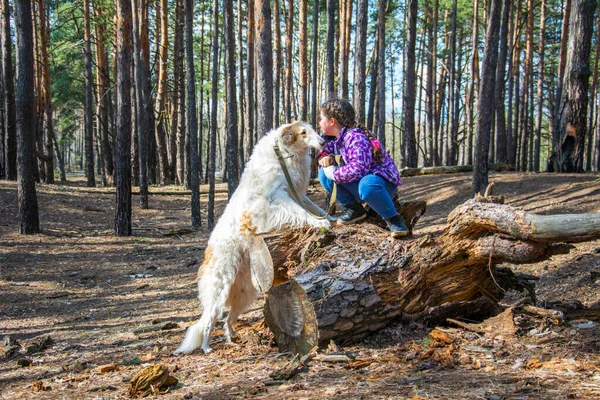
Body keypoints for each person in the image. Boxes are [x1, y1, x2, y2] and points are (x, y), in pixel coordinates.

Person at [317, 98, 408, 238]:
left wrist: (335, 173)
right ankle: (354, 209)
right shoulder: (336, 139)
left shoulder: (355, 137)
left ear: (332, 121)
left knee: (367, 184)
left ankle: (393, 218)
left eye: (321, 118)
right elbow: (322, 150)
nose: (319, 122)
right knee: (323, 174)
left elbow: (358, 168)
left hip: (381, 184)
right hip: (364, 183)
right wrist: (327, 157)